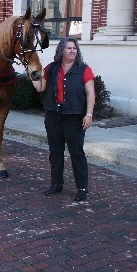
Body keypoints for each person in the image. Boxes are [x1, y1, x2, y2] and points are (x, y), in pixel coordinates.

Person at [32, 38, 95, 202]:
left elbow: (90, 93)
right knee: (55, 152)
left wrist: (88, 114)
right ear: (61, 50)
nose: (72, 51)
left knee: (77, 152)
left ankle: (82, 188)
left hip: (74, 116)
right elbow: (40, 87)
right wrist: (31, 74)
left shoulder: (84, 69)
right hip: (53, 115)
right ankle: (56, 184)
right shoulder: (51, 68)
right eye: (69, 48)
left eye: (74, 48)